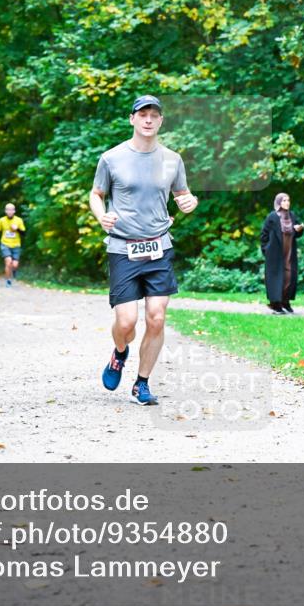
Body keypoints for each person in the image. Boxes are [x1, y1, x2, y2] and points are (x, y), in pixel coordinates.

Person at [88, 94, 198, 406]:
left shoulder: (172, 160)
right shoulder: (111, 158)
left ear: (161, 121)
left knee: (156, 318)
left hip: (159, 247)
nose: (148, 120)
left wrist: (190, 202)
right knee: (125, 323)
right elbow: (96, 194)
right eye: (143, 114)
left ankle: (142, 383)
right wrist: (101, 215)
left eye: (154, 115)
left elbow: (183, 195)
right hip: (123, 248)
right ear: (132, 119)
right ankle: (120, 353)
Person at [260, 192, 304, 314]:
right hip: (275, 254)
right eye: (284, 201)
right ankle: (275, 304)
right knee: (277, 278)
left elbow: (296, 233)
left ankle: (285, 301)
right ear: (279, 202)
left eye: (288, 200)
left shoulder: (292, 215)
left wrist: (299, 230)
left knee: (289, 277)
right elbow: (264, 235)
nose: (287, 203)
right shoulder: (272, 217)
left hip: (289, 252)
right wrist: (266, 250)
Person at [0, 203, 26, 287]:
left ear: (14, 211)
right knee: (8, 262)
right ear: (5, 211)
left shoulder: (19, 220)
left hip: (16, 245)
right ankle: (8, 280)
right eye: (8, 210)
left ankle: (14, 270)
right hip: (5, 244)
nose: (10, 211)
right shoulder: (1, 220)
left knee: (14, 264)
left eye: (11, 210)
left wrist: (16, 229)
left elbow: (24, 233)